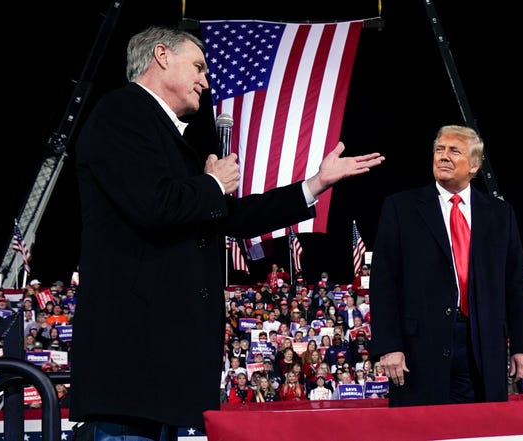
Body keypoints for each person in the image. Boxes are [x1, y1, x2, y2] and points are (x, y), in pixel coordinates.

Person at [69, 25, 384, 438]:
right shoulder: (122, 112)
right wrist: (212, 184)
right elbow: (153, 206)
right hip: (131, 365)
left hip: (156, 372)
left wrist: (315, 184)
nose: (205, 80)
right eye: (198, 67)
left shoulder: (160, 133)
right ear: (161, 56)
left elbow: (229, 218)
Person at [370, 125, 523, 407]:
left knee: (481, 430)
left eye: (454, 151)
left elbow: (516, 285)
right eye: (439, 149)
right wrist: (389, 346)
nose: (443, 156)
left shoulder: (499, 214)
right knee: (423, 431)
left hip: (483, 344)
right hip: (419, 349)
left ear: (474, 165)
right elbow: (383, 282)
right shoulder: (401, 208)